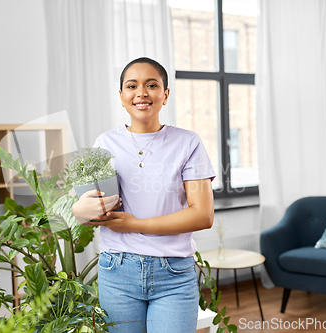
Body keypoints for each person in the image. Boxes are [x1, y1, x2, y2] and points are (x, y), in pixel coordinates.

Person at [72, 57, 215, 333]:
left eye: (152, 85)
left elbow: (203, 215)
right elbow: (95, 207)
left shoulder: (188, 142)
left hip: (173, 274)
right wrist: (81, 211)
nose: (142, 93)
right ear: (121, 96)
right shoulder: (105, 143)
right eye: (132, 85)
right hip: (117, 272)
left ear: (165, 94)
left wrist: (134, 224)